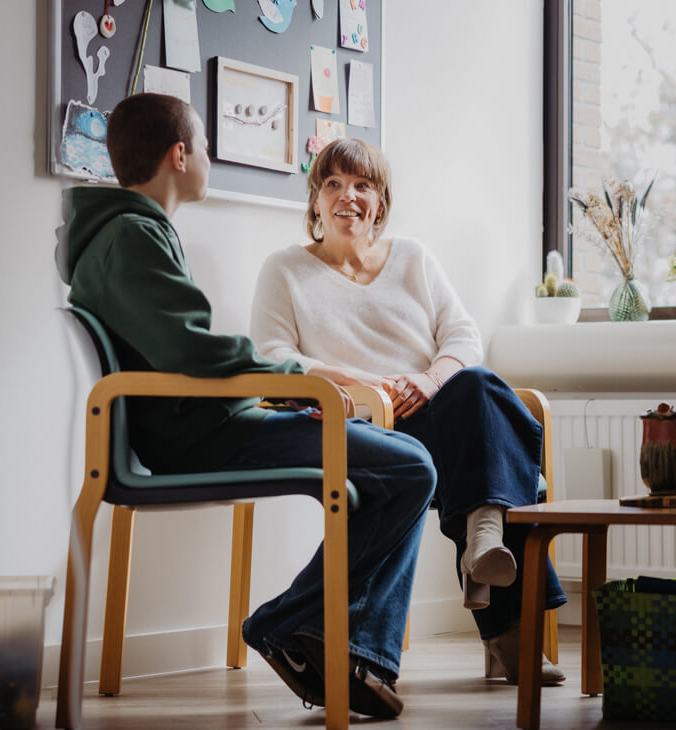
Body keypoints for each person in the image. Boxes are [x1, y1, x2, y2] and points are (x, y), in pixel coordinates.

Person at [54, 94, 436, 718]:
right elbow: (192, 350)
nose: (206, 158)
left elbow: (183, 347)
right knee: (409, 468)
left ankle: (329, 642)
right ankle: (297, 628)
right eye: (204, 147)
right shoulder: (131, 236)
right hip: (205, 434)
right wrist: (293, 378)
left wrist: (289, 386)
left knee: (405, 462)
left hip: (211, 422)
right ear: (180, 155)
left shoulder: (129, 232)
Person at [250, 138, 568, 685]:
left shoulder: (413, 257)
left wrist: (426, 379)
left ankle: (484, 542)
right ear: (315, 202)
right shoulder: (285, 270)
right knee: (496, 444)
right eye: (333, 184)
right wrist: (367, 382)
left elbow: (463, 335)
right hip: (363, 424)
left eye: (362, 185)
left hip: (436, 412)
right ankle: (494, 586)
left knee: (480, 387)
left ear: (381, 201)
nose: (348, 196)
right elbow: (273, 358)